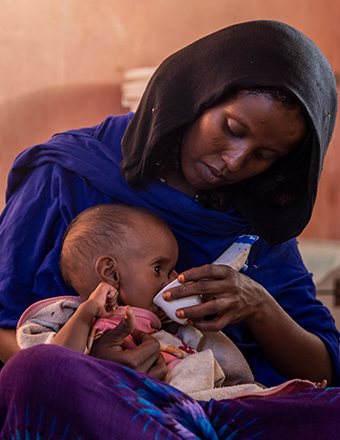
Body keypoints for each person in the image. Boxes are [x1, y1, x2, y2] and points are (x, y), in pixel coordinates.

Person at [0, 19, 340, 439]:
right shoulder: (69, 175)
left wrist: (258, 307)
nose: (235, 162)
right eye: (232, 130)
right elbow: (5, 322)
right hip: (89, 398)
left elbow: (324, 367)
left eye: (265, 155)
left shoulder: (260, 216)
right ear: (196, 96)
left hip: (221, 407)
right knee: (43, 372)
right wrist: (90, 364)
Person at [17, 203, 260, 398]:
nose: (172, 280)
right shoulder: (82, 321)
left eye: (171, 271)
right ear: (112, 274)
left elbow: (224, 369)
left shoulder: (169, 328)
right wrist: (87, 312)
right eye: (158, 269)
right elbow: (53, 366)